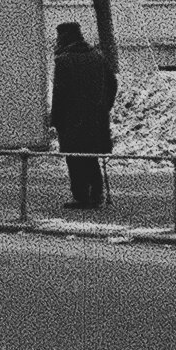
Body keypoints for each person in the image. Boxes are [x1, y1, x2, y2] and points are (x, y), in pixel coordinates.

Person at [49, 21, 115, 209]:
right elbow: (112, 84)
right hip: (96, 117)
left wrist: (56, 119)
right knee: (91, 155)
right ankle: (96, 193)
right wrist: (104, 106)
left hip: (73, 119)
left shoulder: (63, 60)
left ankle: (81, 196)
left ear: (64, 38)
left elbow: (59, 93)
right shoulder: (98, 56)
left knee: (75, 157)